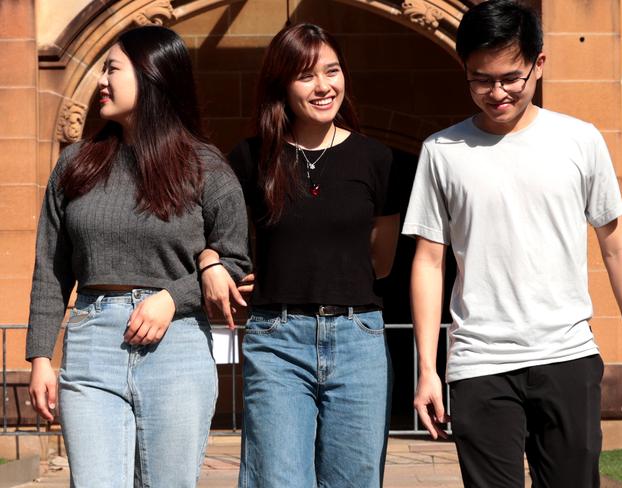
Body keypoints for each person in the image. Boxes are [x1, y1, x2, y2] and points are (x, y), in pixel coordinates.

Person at [403, 1, 622, 487]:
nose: (496, 92)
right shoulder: (441, 151)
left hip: (567, 356)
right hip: (479, 364)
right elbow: (429, 262)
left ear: (539, 63)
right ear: (465, 71)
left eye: (510, 77)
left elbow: (616, 245)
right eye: (481, 79)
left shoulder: (580, 141)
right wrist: (427, 370)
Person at [26, 25, 251, 488]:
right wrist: (40, 358)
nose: (100, 81)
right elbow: (50, 267)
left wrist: (173, 297)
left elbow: (235, 260)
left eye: (112, 69)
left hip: (178, 346)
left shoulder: (205, 167)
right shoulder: (76, 165)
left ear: (151, 77)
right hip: (91, 347)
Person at [200, 22, 400, 488]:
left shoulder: (377, 159)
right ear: (282, 85)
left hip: (358, 337)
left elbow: (382, 262)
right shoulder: (250, 158)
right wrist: (214, 263)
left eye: (332, 71)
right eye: (306, 75)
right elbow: (214, 231)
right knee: (277, 479)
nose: (324, 86)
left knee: (355, 480)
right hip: (277, 340)